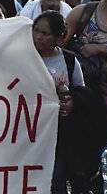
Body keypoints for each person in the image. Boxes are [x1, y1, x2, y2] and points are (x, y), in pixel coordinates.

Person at [31, 11, 86, 194]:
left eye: (45, 33)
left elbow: (80, 91)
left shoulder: (69, 60)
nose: (38, 37)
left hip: (59, 135)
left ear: (59, 38)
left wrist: (71, 103)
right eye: (36, 31)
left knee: (55, 179)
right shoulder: (23, 57)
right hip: (28, 133)